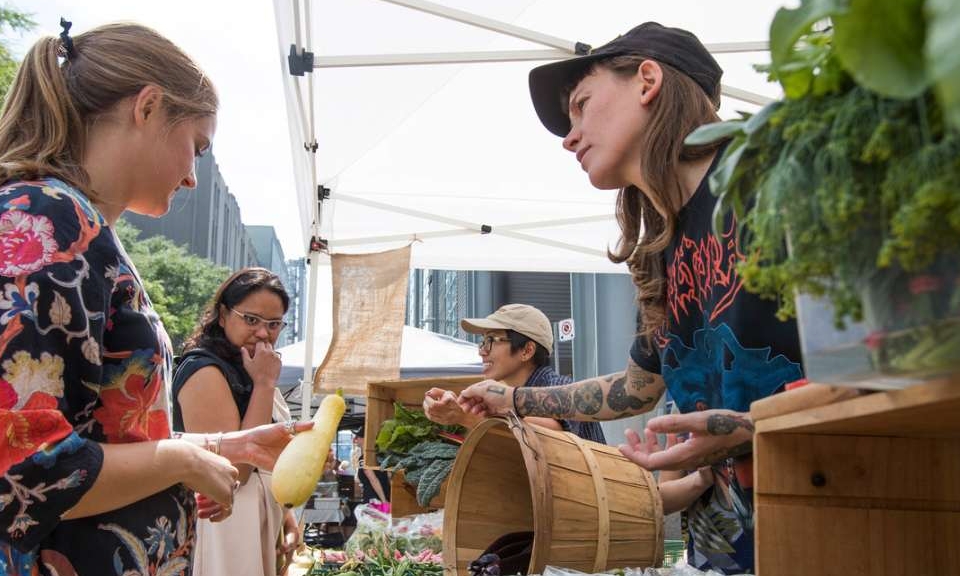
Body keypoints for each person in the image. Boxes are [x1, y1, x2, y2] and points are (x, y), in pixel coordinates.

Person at [457, 22, 803, 574]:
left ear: (647, 80)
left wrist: (744, 431)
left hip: (842, 520)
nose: (569, 138)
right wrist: (512, 400)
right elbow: (635, 390)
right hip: (725, 552)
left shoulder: (772, 176)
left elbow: (884, 361)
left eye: (582, 105)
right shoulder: (660, 252)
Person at [0, 21, 311, 575]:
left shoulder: (78, 226)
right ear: (147, 107)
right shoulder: (47, 218)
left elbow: (97, 431)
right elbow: (22, 469)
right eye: (197, 146)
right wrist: (186, 457)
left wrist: (222, 446)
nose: (193, 175)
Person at [172, 268, 300, 576]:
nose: (263, 333)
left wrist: (285, 517)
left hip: (254, 524)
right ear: (223, 315)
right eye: (251, 320)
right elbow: (237, 471)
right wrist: (265, 384)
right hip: (224, 530)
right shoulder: (204, 371)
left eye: (273, 324)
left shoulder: (250, 368)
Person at [424, 304, 605, 443]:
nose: (482, 351)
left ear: (527, 350)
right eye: (482, 341)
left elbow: (553, 436)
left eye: (491, 340)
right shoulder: (501, 394)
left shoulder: (560, 387)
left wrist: (464, 416)